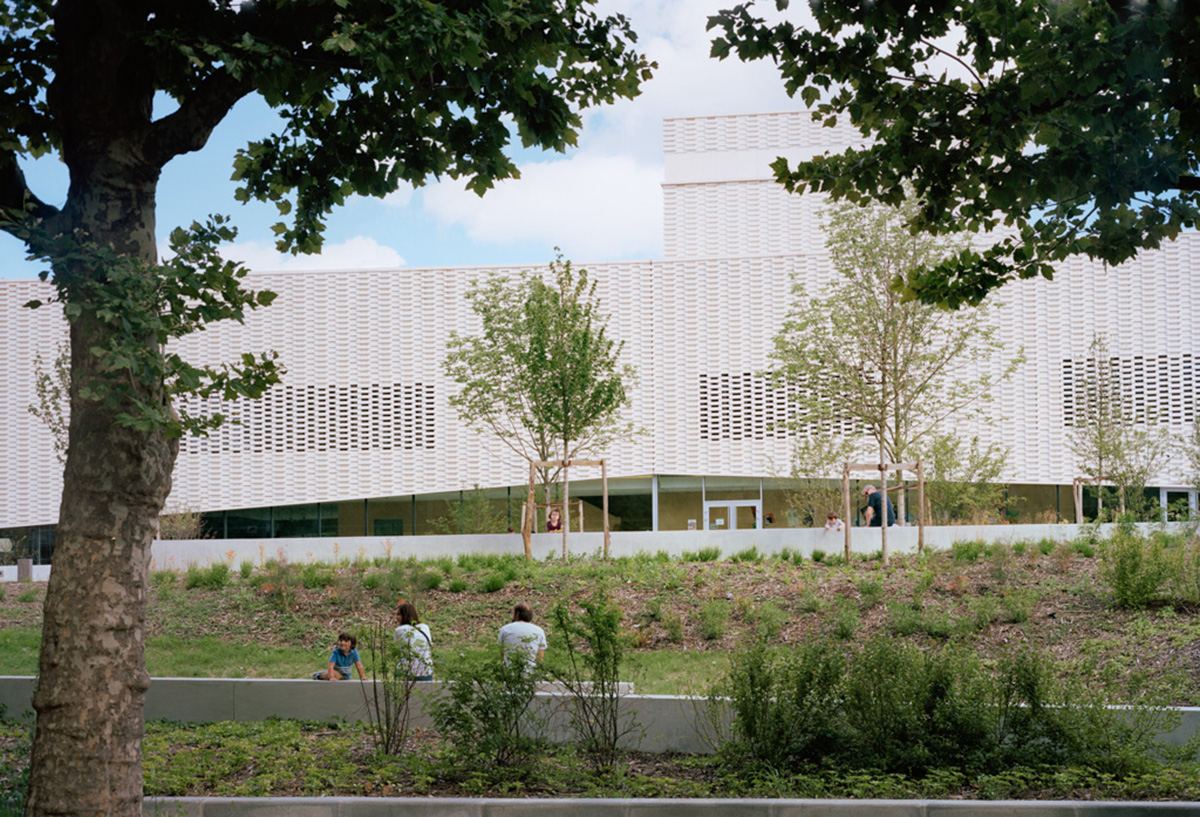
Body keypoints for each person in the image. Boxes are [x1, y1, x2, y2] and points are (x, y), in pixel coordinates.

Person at [498, 602, 547, 670]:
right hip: (531, 673)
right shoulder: (539, 631)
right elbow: (540, 659)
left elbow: (501, 655)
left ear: (517, 614)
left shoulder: (505, 629)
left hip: (509, 672)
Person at [394, 601, 434, 681]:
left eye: (398, 614)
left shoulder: (399, 630)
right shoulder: (425, 627)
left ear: (405, 616)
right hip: (426, 671)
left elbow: (396, 651)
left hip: (406, 671)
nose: (396, 617)